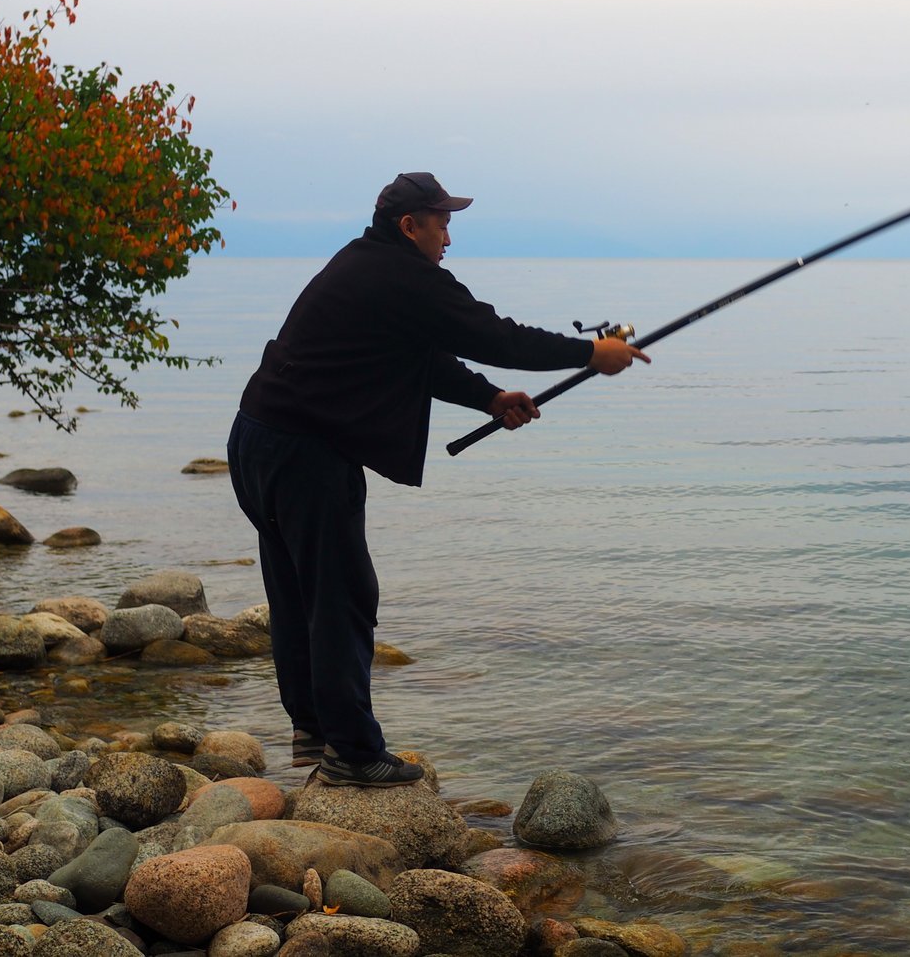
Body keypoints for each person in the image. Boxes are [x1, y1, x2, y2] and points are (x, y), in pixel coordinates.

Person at [227, 171, 648, 786]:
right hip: (304, 455)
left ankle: (316, 730)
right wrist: (590, 355)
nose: (448, 236)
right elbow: (492, 333)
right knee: (342, 596)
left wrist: (489, 399)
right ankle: (351, 754)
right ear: (410, 225)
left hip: (257, 438)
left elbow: (420, 359)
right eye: (442, 222)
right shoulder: (406, 275)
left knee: (299, 594)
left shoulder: (363, 264)